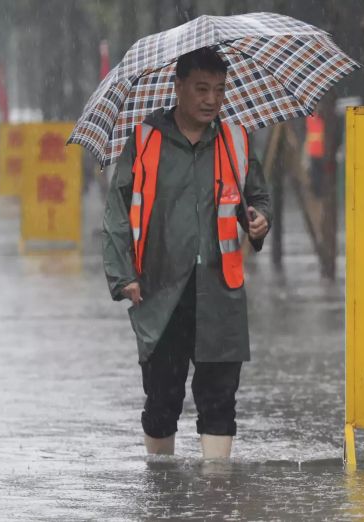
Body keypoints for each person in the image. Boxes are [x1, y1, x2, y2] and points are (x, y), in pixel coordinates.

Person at [102, 47, 272, 459]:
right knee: (162, 400)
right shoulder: (144, 141)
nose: (211, 99)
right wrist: (123, 277)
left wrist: (259, 220)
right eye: (201, 89)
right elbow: (117, 214)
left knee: (220, 401)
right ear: (177, 87)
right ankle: (164, 493)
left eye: (218, 89)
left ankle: (215, 498)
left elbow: (260, 196)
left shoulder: (235, 139)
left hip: (221, 290)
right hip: (161, 291)